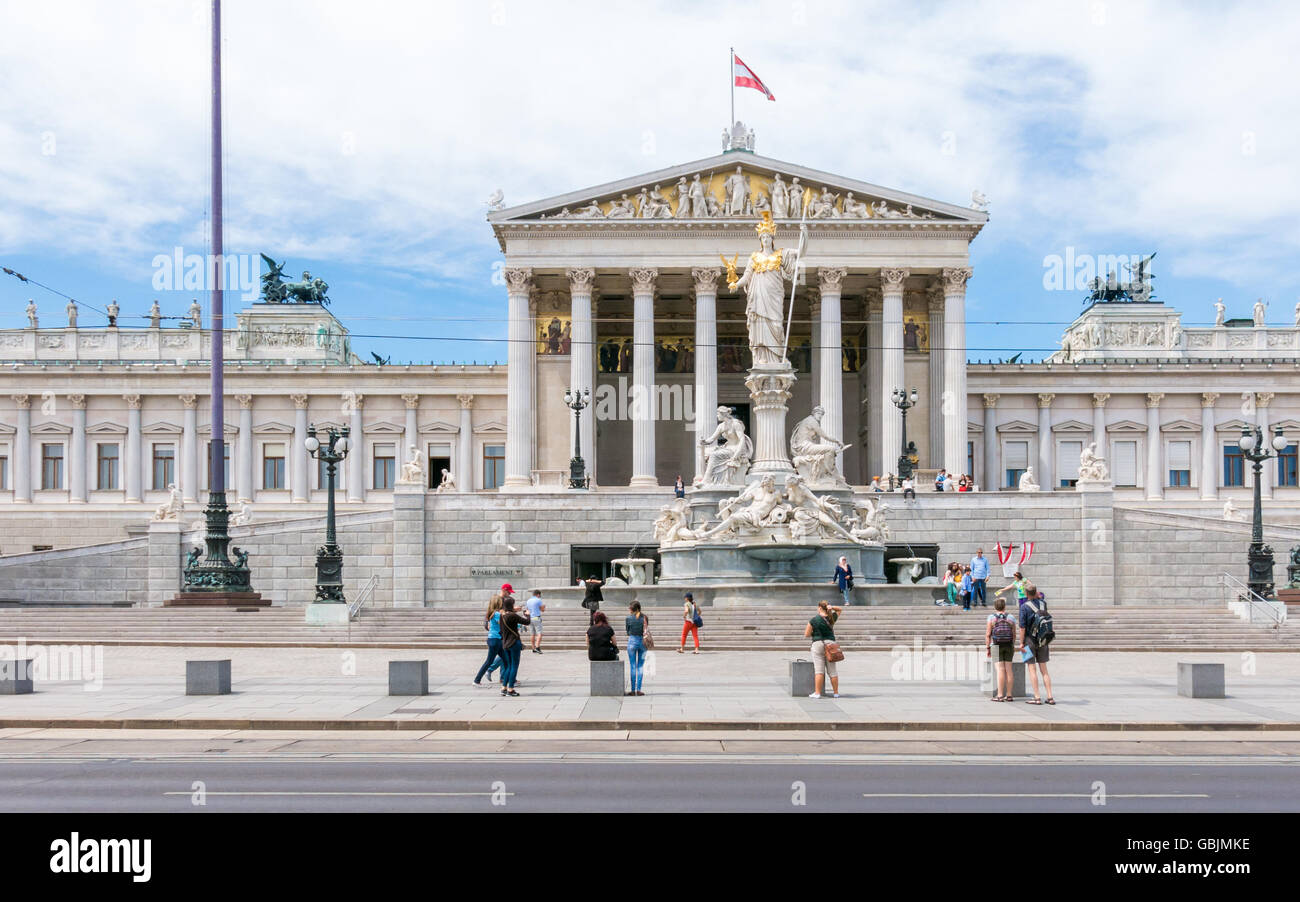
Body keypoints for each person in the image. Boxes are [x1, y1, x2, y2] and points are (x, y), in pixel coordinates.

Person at [1019, 583, 1055, 705]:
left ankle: (1037, 697)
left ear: (1026, 594)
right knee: (1044, 670)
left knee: (1032, 669)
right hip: (1043, 639)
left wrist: (1021, 643)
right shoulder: (1043, 604)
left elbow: (1022, 627)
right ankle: (1050, 696)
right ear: (1036, 592)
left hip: (1029, 640)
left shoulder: (1024, 607)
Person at [803, 600, 842, 698]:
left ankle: (817, 693)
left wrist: (814, 634)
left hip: (818, 644)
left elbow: (806, 634)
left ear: (820, 608)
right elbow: (840, 609)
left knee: (819, 671)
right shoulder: (831, 618)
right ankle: (836, 693)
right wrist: (831, 608)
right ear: (827, 607)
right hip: (830, 645)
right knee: (832, 671)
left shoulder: (813, 620)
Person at [984, 597, 1018, 701]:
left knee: (1000, 670)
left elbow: (988, 634)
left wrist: (988, 648)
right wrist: (1012, 644)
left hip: (995, 645)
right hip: (1009, 645)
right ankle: (1009, 695)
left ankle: (999, 695)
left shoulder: (991, 618)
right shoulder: (1011, 617)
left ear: (995, 607)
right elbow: (1014, 634)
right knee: (1009, 670)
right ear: (1004, 606)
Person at [498, 596, 531, 697]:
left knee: (508, 666)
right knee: (514, 666)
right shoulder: (512, 615)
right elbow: (527, 622)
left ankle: (504, 688)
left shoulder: (502, 615)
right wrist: (527, 615)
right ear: (511, 605)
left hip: (505, 643)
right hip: (514, 643)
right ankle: (511, 689)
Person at [473, 593, 505, 685]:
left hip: (495, 639)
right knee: (489, 661)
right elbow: (505, 624)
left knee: (506, 659)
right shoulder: (497, 614)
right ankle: (477, 680)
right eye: (501, 602)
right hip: (495, 640)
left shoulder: (493, 613)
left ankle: (508, 680)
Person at [625, 602, 651, 696]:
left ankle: (632, 690)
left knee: (632, 666)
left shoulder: (628, 618)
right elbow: (646, 630)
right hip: (643, 642)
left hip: (632, 641)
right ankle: (639, 690)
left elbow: (628, 631)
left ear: (632, 609)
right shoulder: (645, 617)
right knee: (640, 666)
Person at [525, 588, 546, 654]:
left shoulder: (528, 601)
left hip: (530, 618)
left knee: (532, 634)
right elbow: (542, 610)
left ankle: (533, 648)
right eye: (539, 595)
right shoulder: (538, 600)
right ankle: (537, 647)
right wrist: (543, 607)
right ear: (538, 594)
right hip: (536, 618)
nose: (540, 596)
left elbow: (527, 610)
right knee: (539, 633)